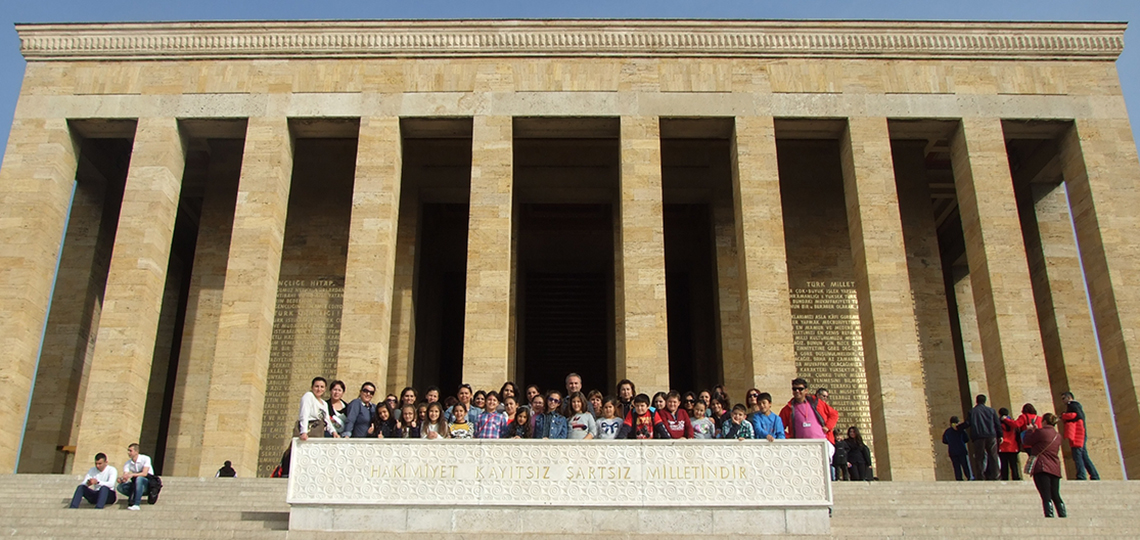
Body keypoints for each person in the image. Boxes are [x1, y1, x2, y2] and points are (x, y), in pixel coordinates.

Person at [778, 378, 834, 459]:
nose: (797, 391)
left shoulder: (816, 402)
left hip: (821, 442)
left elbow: (834, 414)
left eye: (800, 389)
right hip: (801, 446)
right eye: (794, 389)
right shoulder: (787, 409)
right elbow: (779, 427)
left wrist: (828, 426)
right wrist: (789, 437)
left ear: (806, 390)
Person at [1024, 413, 1066, 518]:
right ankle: (1062, 513)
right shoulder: (1058, 436)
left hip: (1042, 466)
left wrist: (1030, 430)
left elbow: (1027, 441)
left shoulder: (1040, 432)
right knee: (1055, 494)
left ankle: (1049, 514)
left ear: (1045, 421)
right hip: (1055, 467)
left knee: (1045, 494)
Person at [1061, 391, 1100, 480]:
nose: (1062, 401)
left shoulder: (1073, 405)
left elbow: (1075, 415)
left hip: (1077, 435)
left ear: (1069, 397)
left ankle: (1081, 475)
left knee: (1077, 455)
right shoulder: (1075, 405)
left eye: (1063, 398)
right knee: (1083, 455)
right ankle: (1094, 475)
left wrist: (1063, 416)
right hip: (1079, 434)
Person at [968, 394, 1002, 480]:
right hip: (991, 435)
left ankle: (980, 476)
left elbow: (968, 423)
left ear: (977, 401)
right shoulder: (991, 411)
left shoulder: (972, 411)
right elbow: (997, 424)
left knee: (979, 457)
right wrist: (1000, 435)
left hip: (978, 436)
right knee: (993, 456)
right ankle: (996, 475)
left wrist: (958, 427)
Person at [116, 443, 152, 511]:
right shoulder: (128, 463)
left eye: (130, 451)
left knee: (139, 479)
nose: (128, 453)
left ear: (136, 452)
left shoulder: (146, 458)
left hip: (147, 483)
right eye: (128, 450)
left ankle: (136, 504)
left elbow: (145, 473)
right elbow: (125, 475)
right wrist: (122, 479)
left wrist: (132, 475)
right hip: (136, 484)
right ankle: (134, 496)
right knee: (120, 487)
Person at [297, 376, 328, 441]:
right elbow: (304, 414)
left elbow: (327, 420)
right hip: (309, 430)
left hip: (319, 431)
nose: (319, 389)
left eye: (322, 387)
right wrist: (303, 432)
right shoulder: (308, 396)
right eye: (316, 386)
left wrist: (333, 432)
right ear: (312, 387)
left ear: (325, 389)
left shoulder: (324, 403)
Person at [943, 416, 972, 481]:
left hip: (953, 451)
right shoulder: (961, 430)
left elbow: (944, 440)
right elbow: (966, 439)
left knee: (958, 467)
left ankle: (960, 479)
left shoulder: (948, 431)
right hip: (961, 450)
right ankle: (969, 477)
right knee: (965, 465)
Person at [998, 408, 1022, 481]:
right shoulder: (1012, 422)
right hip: (1013, 446)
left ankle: (1004, 478)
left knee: (1004, 464)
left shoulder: (998, 423)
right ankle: (1016, 477)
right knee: (1014, 464)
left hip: (1002, 446)